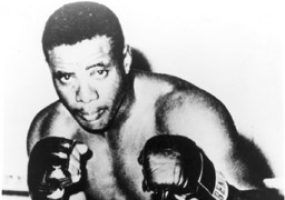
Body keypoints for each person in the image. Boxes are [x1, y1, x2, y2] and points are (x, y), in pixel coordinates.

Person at [27, 2, 283, 200]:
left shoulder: (186, 113)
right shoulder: (50, 132)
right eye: (66, 77)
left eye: (99, 72)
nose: (84, 96)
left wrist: (206, 179)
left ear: (125, 60)